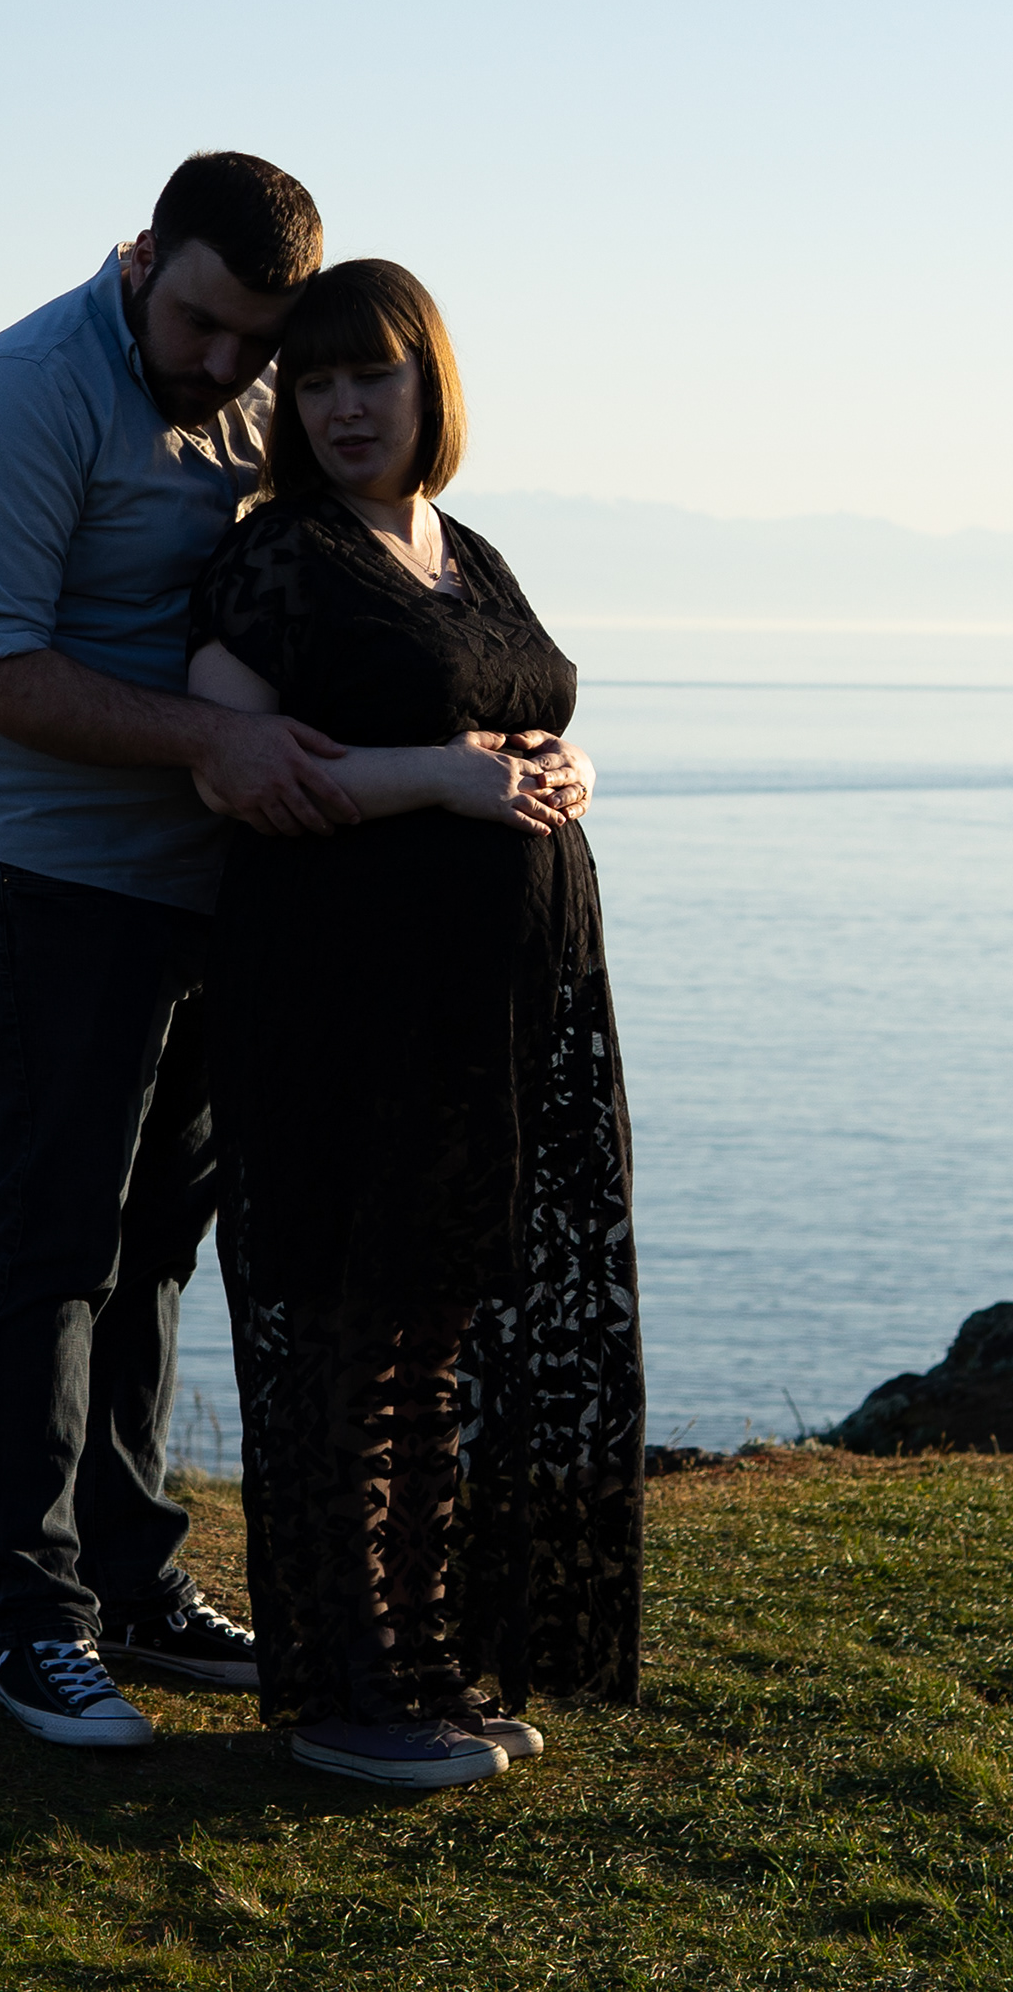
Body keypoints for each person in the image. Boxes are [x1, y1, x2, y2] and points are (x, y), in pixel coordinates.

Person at [0, 152, 394, 1749]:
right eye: (201, 324)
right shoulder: (20, 396)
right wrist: (210, 742)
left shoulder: (253, 394)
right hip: (30, 875)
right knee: (55, 1240)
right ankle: (32, 1625)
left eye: (259, 338)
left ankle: (133, 1584)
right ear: (140, 256)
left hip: (201, 889)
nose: (228, 364)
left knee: (157, 1249)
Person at [184, 258, 644, 1791]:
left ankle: (426, 1659)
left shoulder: (467, 552)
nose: (342, 408)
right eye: (313, 384)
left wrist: (566, 769)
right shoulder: (280, 559)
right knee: (352, 1329)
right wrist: (446, 777)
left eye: (369, 376)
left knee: (434, 1332)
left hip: (485, 1006)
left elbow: (531, 711)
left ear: (426, 381)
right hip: (342, 998)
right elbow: (230, 763)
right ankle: (349, 1692)